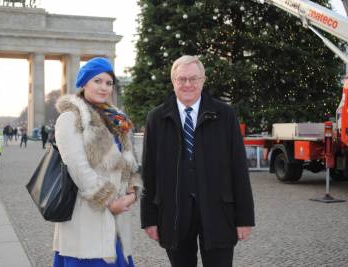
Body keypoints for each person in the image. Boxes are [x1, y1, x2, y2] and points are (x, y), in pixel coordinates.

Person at [140, 55, 255, 267]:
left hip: (219, 211)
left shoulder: (225, 115)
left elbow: (239, 169)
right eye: (181, 79)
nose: (188, 84)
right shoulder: (156, 118)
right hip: (174, 214)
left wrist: (245, 218)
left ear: (203, 80)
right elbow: (149, 173)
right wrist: (149, 219)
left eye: (194, 78)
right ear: (173, 81)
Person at [52, 57, 142, 267]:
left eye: (109, 83)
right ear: (84, 84)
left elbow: (129, 162)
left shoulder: (116, 119)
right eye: (97, 81)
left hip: (116, 220)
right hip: (86, 216)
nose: (104, 87)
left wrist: (131, 192)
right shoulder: (70, 118)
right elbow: (78, 169)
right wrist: (111, 201)